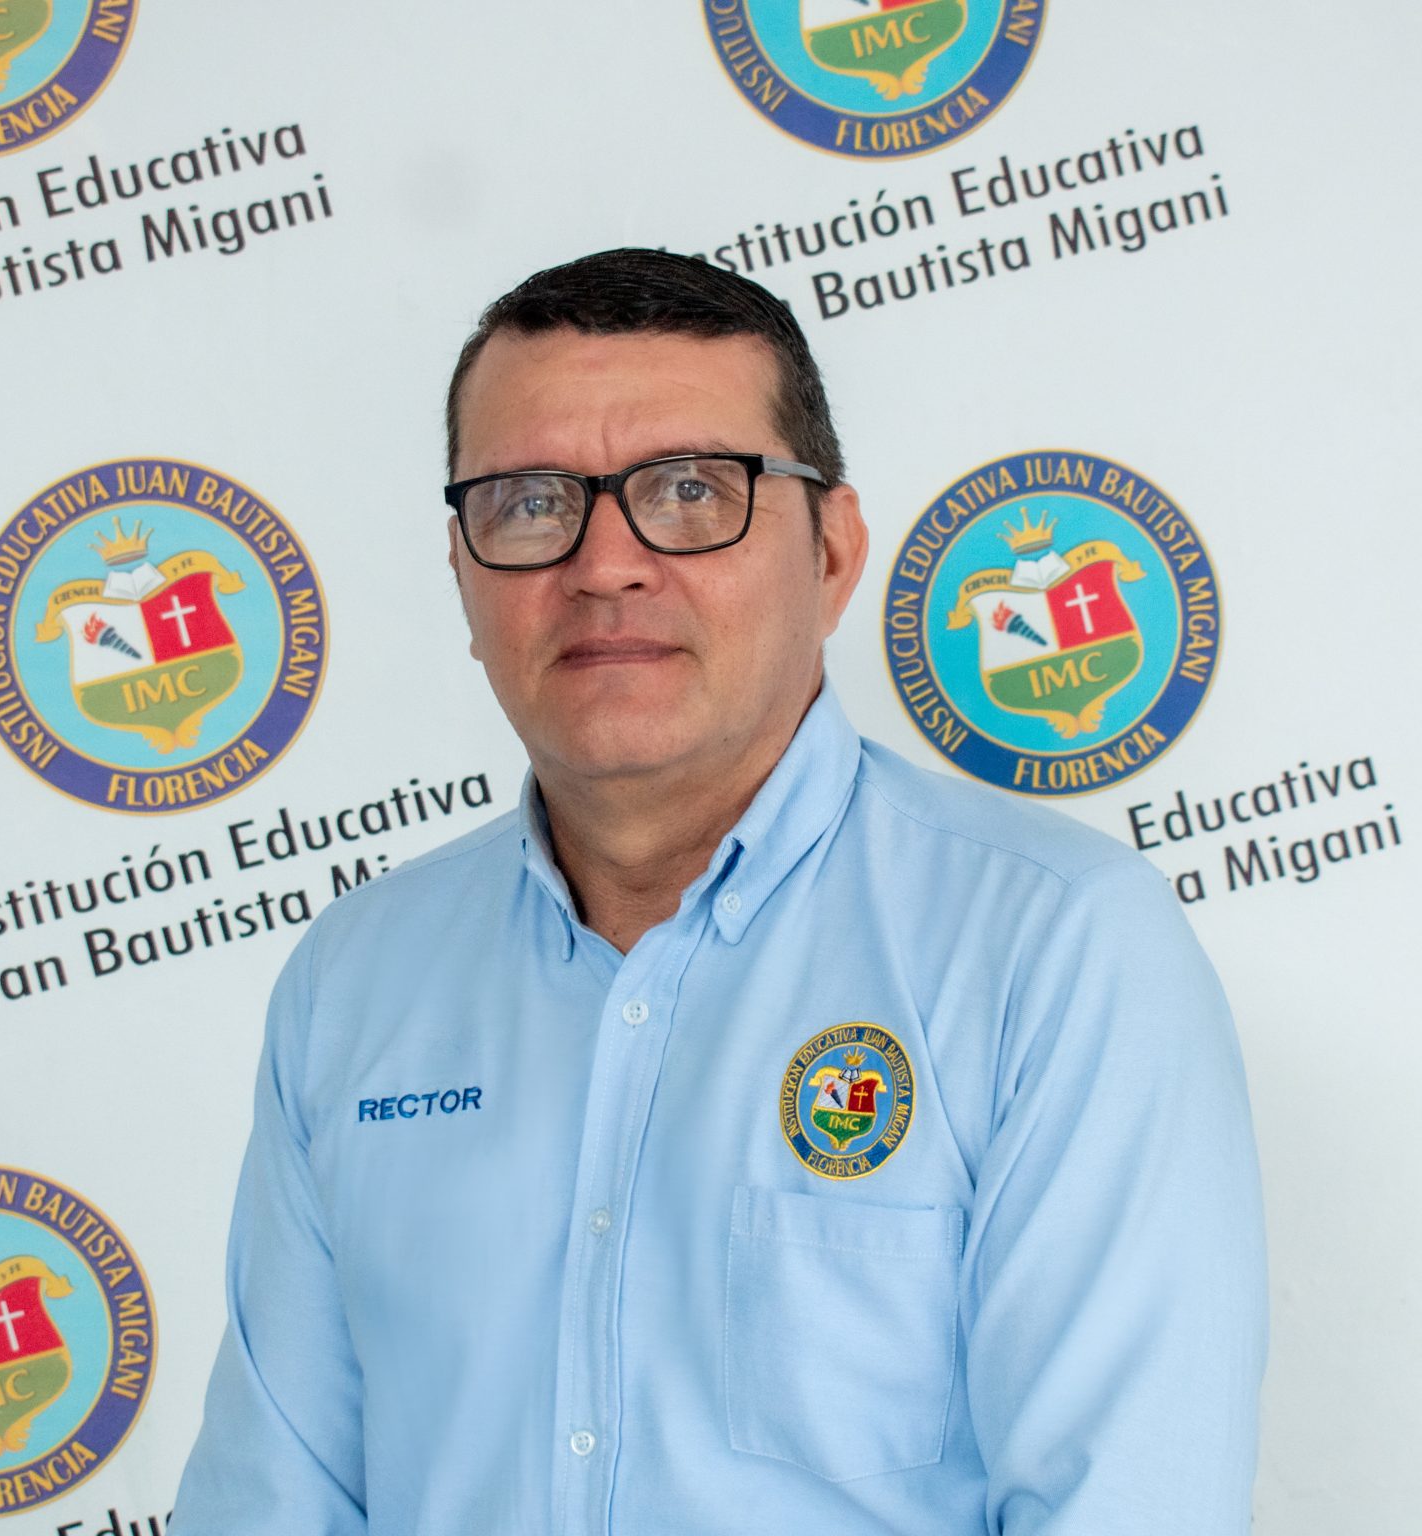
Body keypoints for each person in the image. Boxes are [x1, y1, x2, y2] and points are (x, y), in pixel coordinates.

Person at [170, 248, 1266, 1534]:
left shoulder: (1052, 947)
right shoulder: (356, 982)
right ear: (463, 575)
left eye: (691, 490)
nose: (606, 565)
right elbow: (270, 1504)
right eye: (530, 503)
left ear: (834, 554)